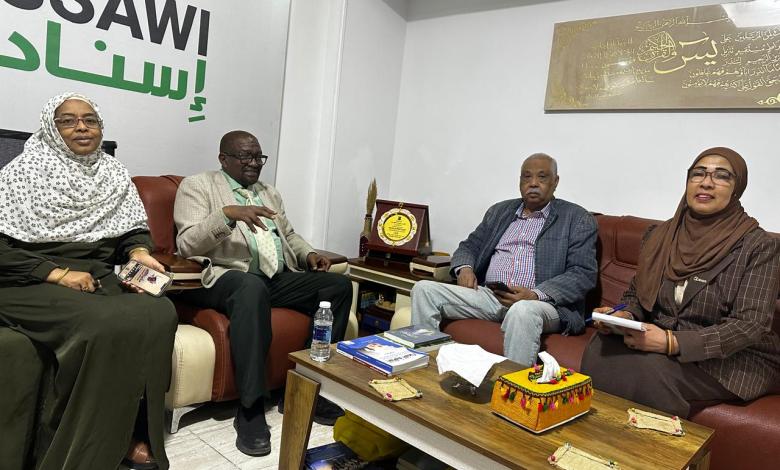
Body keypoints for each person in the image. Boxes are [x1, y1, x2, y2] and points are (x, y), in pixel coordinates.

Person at [0, 92, 177, 470]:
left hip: (95, 274)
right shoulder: (20, 173)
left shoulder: (113, 173)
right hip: (28, 278)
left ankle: (128, 434)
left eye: (90, 119)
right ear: (51, 128)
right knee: (106, 323)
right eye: (67, 120)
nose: (82, 127)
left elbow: (131, 231)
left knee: (159, 310)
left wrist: (138, 253)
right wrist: (57, 274)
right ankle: (79, 454)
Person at [173, 130, 352, 456]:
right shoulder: (197, 186)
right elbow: (187, 244)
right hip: (222, 276)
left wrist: (309, 254)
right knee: (250, 287)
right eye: (246, 156)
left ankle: (306, 388)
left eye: (258, 157)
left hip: (273, 277)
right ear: (223, 158)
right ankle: (251, 408)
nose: (254, 163)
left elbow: (289, 236)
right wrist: (227, 215)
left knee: (337, 286)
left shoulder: (269, 193)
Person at [581, 147, 780, 418]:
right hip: (662, 341)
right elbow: (637, 295)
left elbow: (749, 325)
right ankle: (596, 435)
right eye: (698, 173)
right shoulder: (661, 236)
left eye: (722, 176)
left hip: (731, 358)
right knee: (602, 347)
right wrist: (623, 316)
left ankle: (655, 443)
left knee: (648, 370)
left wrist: (671, 342)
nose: (706, 182)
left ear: (737, 189)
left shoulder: (759, 246)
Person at [411, 153, 598, 366]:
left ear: (555, 182)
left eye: (542, 177)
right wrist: (465, 268)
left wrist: (534, 295)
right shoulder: (500, 211)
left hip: (543, 304)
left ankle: (510, 385)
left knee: (522, 310)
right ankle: (422, 367)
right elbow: (469, 246)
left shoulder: (577, 218)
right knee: (424, 290)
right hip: (492, 296)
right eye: (526, 177)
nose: (533, 183)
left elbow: (582, 273)